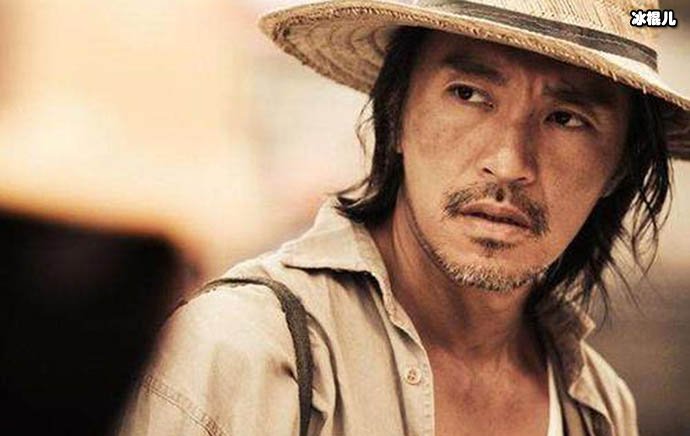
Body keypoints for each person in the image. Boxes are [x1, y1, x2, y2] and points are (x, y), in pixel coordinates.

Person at [116, 1, 690, 435]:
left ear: (619, 167)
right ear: (395, 116)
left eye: (566, 119)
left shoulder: (597, 407)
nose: (509, 163)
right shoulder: (247, 351)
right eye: (468, 94)